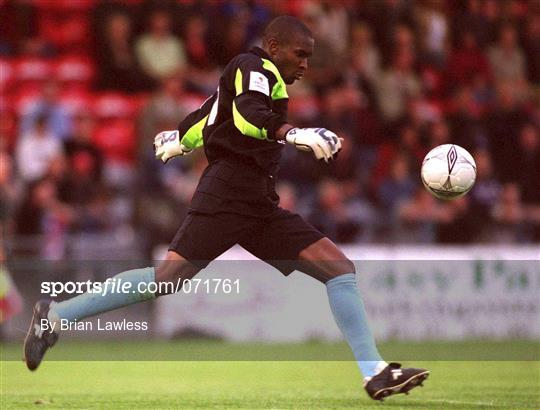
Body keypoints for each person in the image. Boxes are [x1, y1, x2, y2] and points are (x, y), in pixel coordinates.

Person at [24, 16, 428, 401]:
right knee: (167, 277)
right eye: (300, 54)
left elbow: (215, 113)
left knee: (339, 269)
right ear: (273, 46)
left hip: (257, 201)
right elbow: (248, 115)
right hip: (228, 191)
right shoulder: (254, 66)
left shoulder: (253, 76)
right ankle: (56, 317)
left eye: (309, 56)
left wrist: (182, 139)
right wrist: (292, 132)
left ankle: (374, 371)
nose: (305, 64)